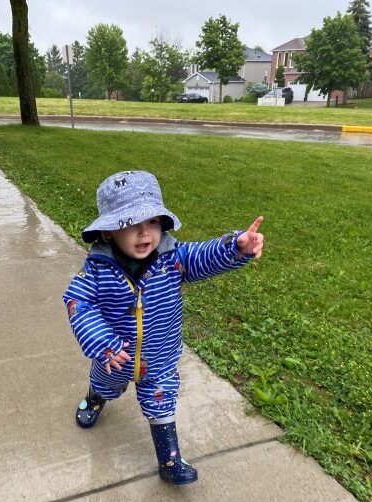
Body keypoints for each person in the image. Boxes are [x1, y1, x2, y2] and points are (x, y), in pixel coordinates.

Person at [63, 170, 263, 485]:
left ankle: (169, 461)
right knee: (106, 385)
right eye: (132, 225)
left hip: (159, 355)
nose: (145, 234)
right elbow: (78, 303)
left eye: (153, 222)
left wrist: (236, 247)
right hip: (115, 356)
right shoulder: (98, 269)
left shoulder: (173, 259)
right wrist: (103, 344)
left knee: (161, 401)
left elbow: (204, 255)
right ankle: (95, 398)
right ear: (109, 232)